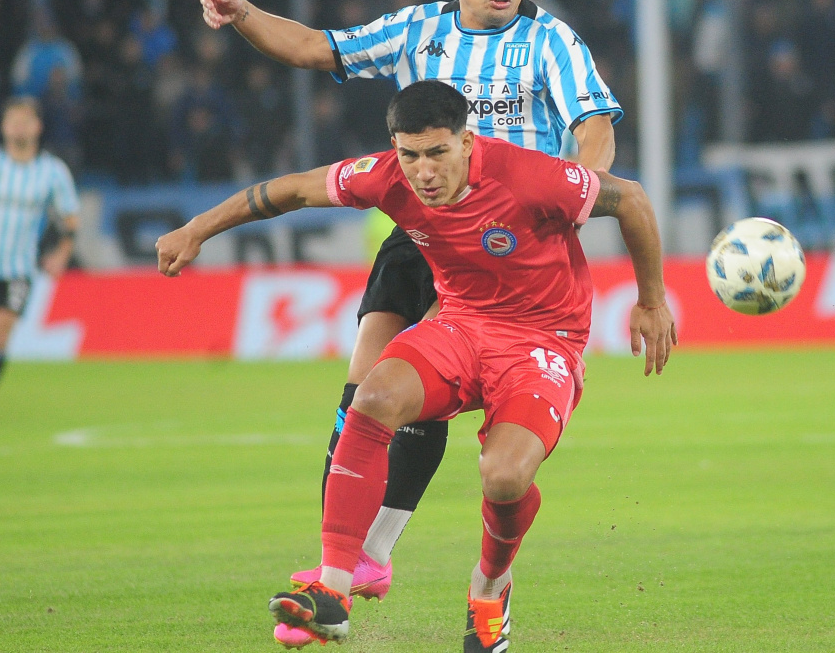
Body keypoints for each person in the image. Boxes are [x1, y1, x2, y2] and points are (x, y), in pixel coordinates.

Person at [199, 0, 623, 625]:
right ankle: (357, 560)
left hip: (511, 240)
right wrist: (243, 14)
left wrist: (573, 199)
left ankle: (376, 551)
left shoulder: (550, 41)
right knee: (367, 384)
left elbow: (594, 129)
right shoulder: (415, 30)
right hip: (423, 226)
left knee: (429, 383)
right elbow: (312, 47)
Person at [155, 80, 676, 651]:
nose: (423, 172)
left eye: (437, 154)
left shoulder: (528, 176)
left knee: (504, 476)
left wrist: (650, 300)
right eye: (410, 156)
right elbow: (293, 191)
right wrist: (196, 228)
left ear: (468, 143)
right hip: (459, 324)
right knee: (372, 399)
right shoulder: (384, 176)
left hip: (540, 340)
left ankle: (490, 586)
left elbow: (632, 200)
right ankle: (333, 592)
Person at [0, 97, 79, 386]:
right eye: (13, 122)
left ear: (37, 127)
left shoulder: (52, 172)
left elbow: (70, 219)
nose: (19, 128)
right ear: (4, 127)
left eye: (25, 122)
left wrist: (61, 254)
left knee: (1, 332)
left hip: (18, 268)